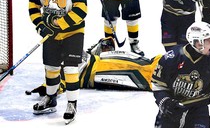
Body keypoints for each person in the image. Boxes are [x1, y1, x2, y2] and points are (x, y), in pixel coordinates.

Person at [151, 21, 210, 128]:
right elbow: (158, 84)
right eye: (209, 40)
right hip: (171, 111)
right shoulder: (171, 58)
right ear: (198, 43)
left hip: (198, 110)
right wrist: (165, 103)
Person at [28, 0, 88, 124]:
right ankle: (50, 98)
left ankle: (72, 103)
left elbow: (81, 11)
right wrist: (41, 26)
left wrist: (56, 24)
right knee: (51, 68)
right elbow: (33, 7)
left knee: (70, 69)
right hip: (51, 35)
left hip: (73, 33)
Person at [26, 37, 162, 96]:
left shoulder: (70, 49)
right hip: (95, 72)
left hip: (98, 61)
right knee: (145, 74)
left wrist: (102, 44)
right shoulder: (60, 68)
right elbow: (60, 83)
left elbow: (105, 44)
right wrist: (48, 89)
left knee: (147, 64)